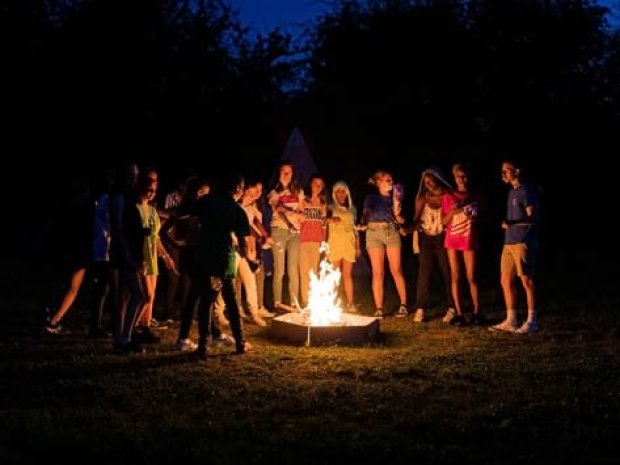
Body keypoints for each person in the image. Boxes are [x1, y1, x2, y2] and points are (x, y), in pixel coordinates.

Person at [490, 159, 540, 335]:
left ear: (516, 171)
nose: (503, 174)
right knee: (505, 280)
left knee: (526, 280)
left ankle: (532, 321)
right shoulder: (512, 192)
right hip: (509, 242)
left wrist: (512, 223)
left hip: (522, 241)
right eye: (502, 171)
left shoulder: (526, 190)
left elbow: (532, 218)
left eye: (506, 170)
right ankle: (511, 320)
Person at [361, 170, 408, 317]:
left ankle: (403, 305)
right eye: (387, 180)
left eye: (391, 179)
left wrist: (398, 212)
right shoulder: (372, 198)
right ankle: (379, 309)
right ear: (378, 182)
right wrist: (364, 222)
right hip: (374, 233)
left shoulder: (396, 197)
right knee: (378, 272)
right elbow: (367, 212)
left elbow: (401, 220)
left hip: (391, 232)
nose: (391, 182)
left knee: (396, 269)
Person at [411, 167, 454, 323]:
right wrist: (407, 228)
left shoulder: (448, 196)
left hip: (443, 237)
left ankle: (452, 307)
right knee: (424, 273)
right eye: (425, 181)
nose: (428, 183)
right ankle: (421, 308)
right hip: (426, 238)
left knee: (447, 271)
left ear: (438, 179)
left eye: (430, 179)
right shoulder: (422, 198)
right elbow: (416, 220)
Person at [441, 163, 483, 326]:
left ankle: (477, 312)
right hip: (452, 239)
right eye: (459, 176)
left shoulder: (475, 196)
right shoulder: (448, 196)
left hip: (469, 238)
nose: (462, 179)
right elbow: (443, 221)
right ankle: (459, 313)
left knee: (472, 276)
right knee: (455, 275)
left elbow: (479, 219)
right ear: (454, 177)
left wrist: (473, 218)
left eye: (465, 176)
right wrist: (453, 211)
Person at [327, 181, 361, 312]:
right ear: (334, 194)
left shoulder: (353, 209)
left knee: (348, 275)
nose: (341, 194)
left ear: (347, 192)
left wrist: (358, 246)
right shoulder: (331, 207)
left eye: (343, 191)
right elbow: (325, 220)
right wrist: (331, 220)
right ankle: (332, 302)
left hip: (349, 244)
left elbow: (355, 228)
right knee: (335, 274)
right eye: (338, 191)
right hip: (335, 243)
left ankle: (350, 303)